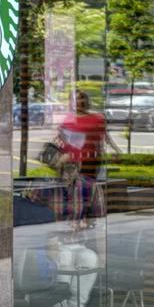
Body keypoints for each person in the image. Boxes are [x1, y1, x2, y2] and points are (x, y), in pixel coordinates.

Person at [50, 88, 107, 231]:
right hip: (71, 163)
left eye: (82, 99)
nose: (80, 102)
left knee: (87, 191)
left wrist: (101, 158)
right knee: (73, 192)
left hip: (90, 162)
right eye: (76, 100)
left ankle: (85, 219)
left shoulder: (97, 119)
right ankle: (74, 221)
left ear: (87, 101)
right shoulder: (67, 120)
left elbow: (101, 142)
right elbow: (60, 141)